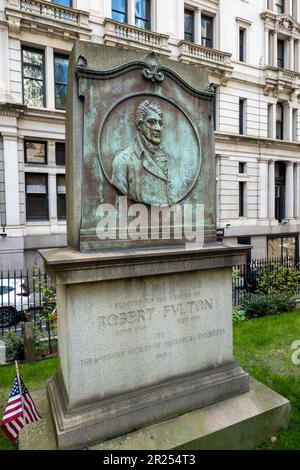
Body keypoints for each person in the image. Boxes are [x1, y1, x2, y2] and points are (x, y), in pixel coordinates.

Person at [111, 100, 177, 206]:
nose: (158, 128)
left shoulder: (169, 158)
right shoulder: (122, 161)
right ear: (140, 125)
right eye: (151, 122)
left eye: (160, 123)